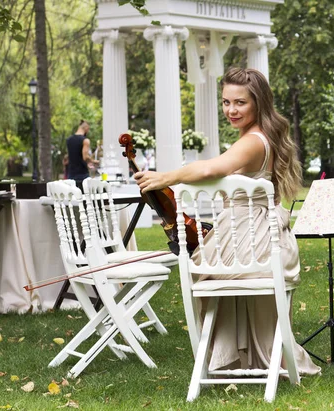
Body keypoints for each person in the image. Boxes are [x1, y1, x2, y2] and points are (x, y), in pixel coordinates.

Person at [135, 67, 320, 375]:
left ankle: (246, 357)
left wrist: (164, 177)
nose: (231, 110)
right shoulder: (254, 136)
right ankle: (255, 358)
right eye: (226, 102)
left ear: (258, 103)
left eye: (240, 103)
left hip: (255, 239)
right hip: (250, 237)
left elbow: (211, 169)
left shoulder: (253, 141)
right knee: (208, 260)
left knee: (202, 266)